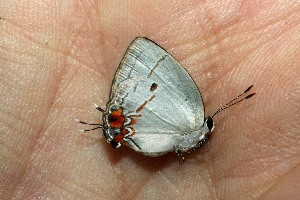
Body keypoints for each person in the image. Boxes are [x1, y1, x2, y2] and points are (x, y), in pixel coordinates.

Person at [1, 1, 299, 199]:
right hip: (133, 124)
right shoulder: (194, 114)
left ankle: (119, 126)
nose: (210, 126)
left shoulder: (194, 122)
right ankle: (119, 126)